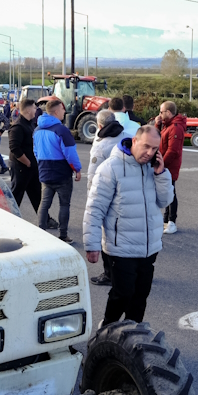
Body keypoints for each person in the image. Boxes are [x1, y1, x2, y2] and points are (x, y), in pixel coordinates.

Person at [82, 125, 174, 326]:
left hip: (149, 247)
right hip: (121, 247)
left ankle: (133, 334)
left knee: (140, 296)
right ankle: (106, 330)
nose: (149, 153)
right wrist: (92, 245)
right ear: (134, 141)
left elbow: (164, 201)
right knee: (122, 294)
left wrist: (161, 173)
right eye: (146, 146)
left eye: (154, 149)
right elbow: (95, 209)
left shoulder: (153, 168)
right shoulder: (111, 168)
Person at [84, 109, 126, 285]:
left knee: (107, 237)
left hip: (107, 194)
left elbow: (93, 175)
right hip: (126, 193)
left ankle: (109, 274)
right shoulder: (127, 136)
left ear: (99, 125)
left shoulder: (101, 145)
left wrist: (90, 195)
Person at [35, 98, 82, 244]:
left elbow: (36, 151)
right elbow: (70, 153)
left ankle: (41, 233)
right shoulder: (62, 130)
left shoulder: (37, 130)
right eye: (62, 109)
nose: (64, 112)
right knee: (64, 204)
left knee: (44, 203)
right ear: (56, 111)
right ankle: (63, 235)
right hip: (61, 173)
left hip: (44, 171)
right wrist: (77, 169)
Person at [157, 101, 186, 233]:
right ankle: (166, 220)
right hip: (166, 164)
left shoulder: (175, 127)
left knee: (171, 192)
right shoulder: (168, 125)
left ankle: (172, 221)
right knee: (168, 191)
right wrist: (158, 124)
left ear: (168, 112)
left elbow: (173, 150)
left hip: (169, 165)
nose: (160, 114)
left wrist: (161, 164)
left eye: (161, 112)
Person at [9, 99, 42, 215]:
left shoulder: (31, 124)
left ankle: (44, 218)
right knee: (16, 194)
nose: (36, 110)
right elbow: (14, 148)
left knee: (37, 194)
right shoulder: (18, 127)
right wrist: (27, 162)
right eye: (34, 108)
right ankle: (10, 216)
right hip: (21, 167)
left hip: (32, 167)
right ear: (28, 110)